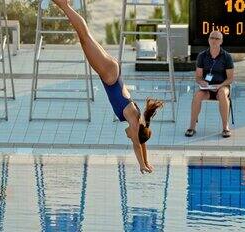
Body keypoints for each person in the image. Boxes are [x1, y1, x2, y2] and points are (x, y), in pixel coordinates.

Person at [52, 0, 163, 174]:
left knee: (86, 38)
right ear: (136, 133)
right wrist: (142, 165)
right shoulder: (134, 124)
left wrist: (147, 161)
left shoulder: (139, 121)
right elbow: (137, 145)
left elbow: (141, 144)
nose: (129, 137)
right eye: (132, 138)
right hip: (109, 74)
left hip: (112, 71)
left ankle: (65, 5)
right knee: (84, 37)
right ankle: (64, 5)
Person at [185, 30, 234, 138]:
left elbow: (230, 78)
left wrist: (221, 85)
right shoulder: (202, 56)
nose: (214, 41)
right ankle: (192, 127)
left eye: (217, 39)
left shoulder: (226, 57)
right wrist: (201, 82)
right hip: (207, 88)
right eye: (212, 38)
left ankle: (225, 127)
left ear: (221, 41)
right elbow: (198, 76)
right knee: (197, 96)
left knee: (222, 93)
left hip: (222, 86)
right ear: (208, 40)